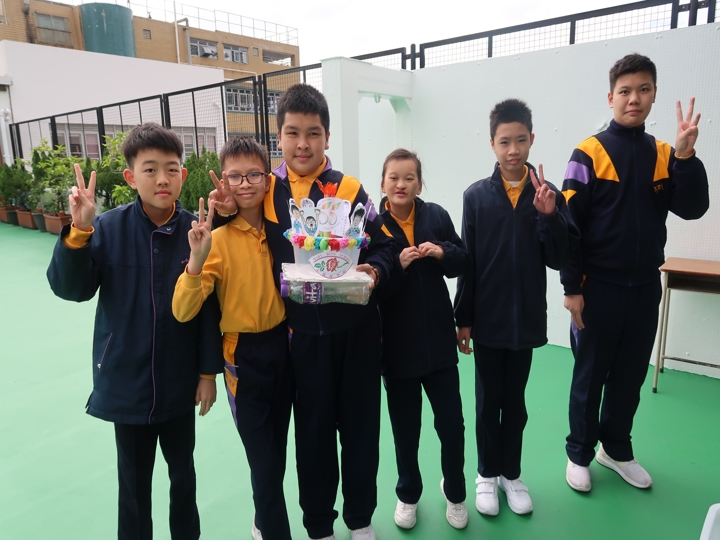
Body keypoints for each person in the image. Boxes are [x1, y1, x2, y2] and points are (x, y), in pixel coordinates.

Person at [210, 84, 395, 540]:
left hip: (357, 332)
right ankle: (319, 526)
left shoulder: (349, 189)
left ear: (327, 136)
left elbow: (385, 245)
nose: (303, 144)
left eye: (313, 133)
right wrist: (222, 213)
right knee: (312, 436)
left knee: (360, 431)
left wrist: (375, 270)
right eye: (293, 133)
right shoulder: (266, 190)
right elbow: (233, 229)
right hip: (300, 340)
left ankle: (360, 519)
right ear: (279, 137)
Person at [46, 123, 223, 540]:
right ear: (130, 177)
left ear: (182, 174)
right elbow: (72, 289)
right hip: (127, 380)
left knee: (183, 476)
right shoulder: (107, 229)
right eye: (150, 169)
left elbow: (207, 311)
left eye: (172, 169)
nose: (163, 179)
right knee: (133, 486)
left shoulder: (196, 233)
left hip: (179, 382)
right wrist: (79, 231)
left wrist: (207, 373)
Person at [561, 53, 709, 492]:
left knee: (630, 376)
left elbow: (692, 208)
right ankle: (579, 453)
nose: (634, 99)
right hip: (597, 288)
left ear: (654, 95)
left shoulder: (665, 154)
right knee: (590, 376)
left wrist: (686, 157)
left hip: (644, 288)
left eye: (643, 90)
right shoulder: (587, 153)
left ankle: (616, 450)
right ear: (611, 98)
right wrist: (572, 287)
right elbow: (569, 227)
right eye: (625, 91)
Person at [454, 99, 576, 517]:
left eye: (520, 140)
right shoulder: (476, 197)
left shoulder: (547, 194)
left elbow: (559, 257)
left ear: (532, 139)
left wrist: (549, 216)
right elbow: (468, 263)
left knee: (516, 403)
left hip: (525, 318)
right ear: (492, 143)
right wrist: (463, 318)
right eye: (504, 142)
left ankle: (511, 474)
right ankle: (486, 475)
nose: (513, 150)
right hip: (487, 321)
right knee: (488, 402)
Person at [173, 136, 292, 540]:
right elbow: (183, 310)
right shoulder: (218, 241)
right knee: (264, 462)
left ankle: (262, 519)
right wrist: (195, 259)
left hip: (284, 348)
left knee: (276, 454)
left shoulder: (283, 230)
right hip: (243, 356)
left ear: (268, 178)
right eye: (235, 176)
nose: (245, 184)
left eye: (254, 175)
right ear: (223, 181)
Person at [377, 149, 469, 530]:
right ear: (383, 183)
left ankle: (456, 491)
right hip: (396, 351)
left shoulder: (436, 216)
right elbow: (371, 288)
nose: (401, 184)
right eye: (394, 177)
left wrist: (442, 252)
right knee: (406, 431)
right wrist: (397, 266)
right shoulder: (373, 227)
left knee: (452, 425)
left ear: (419, 183)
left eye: (409, 178)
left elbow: (463, 260)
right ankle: (408, 494)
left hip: (440, 346)